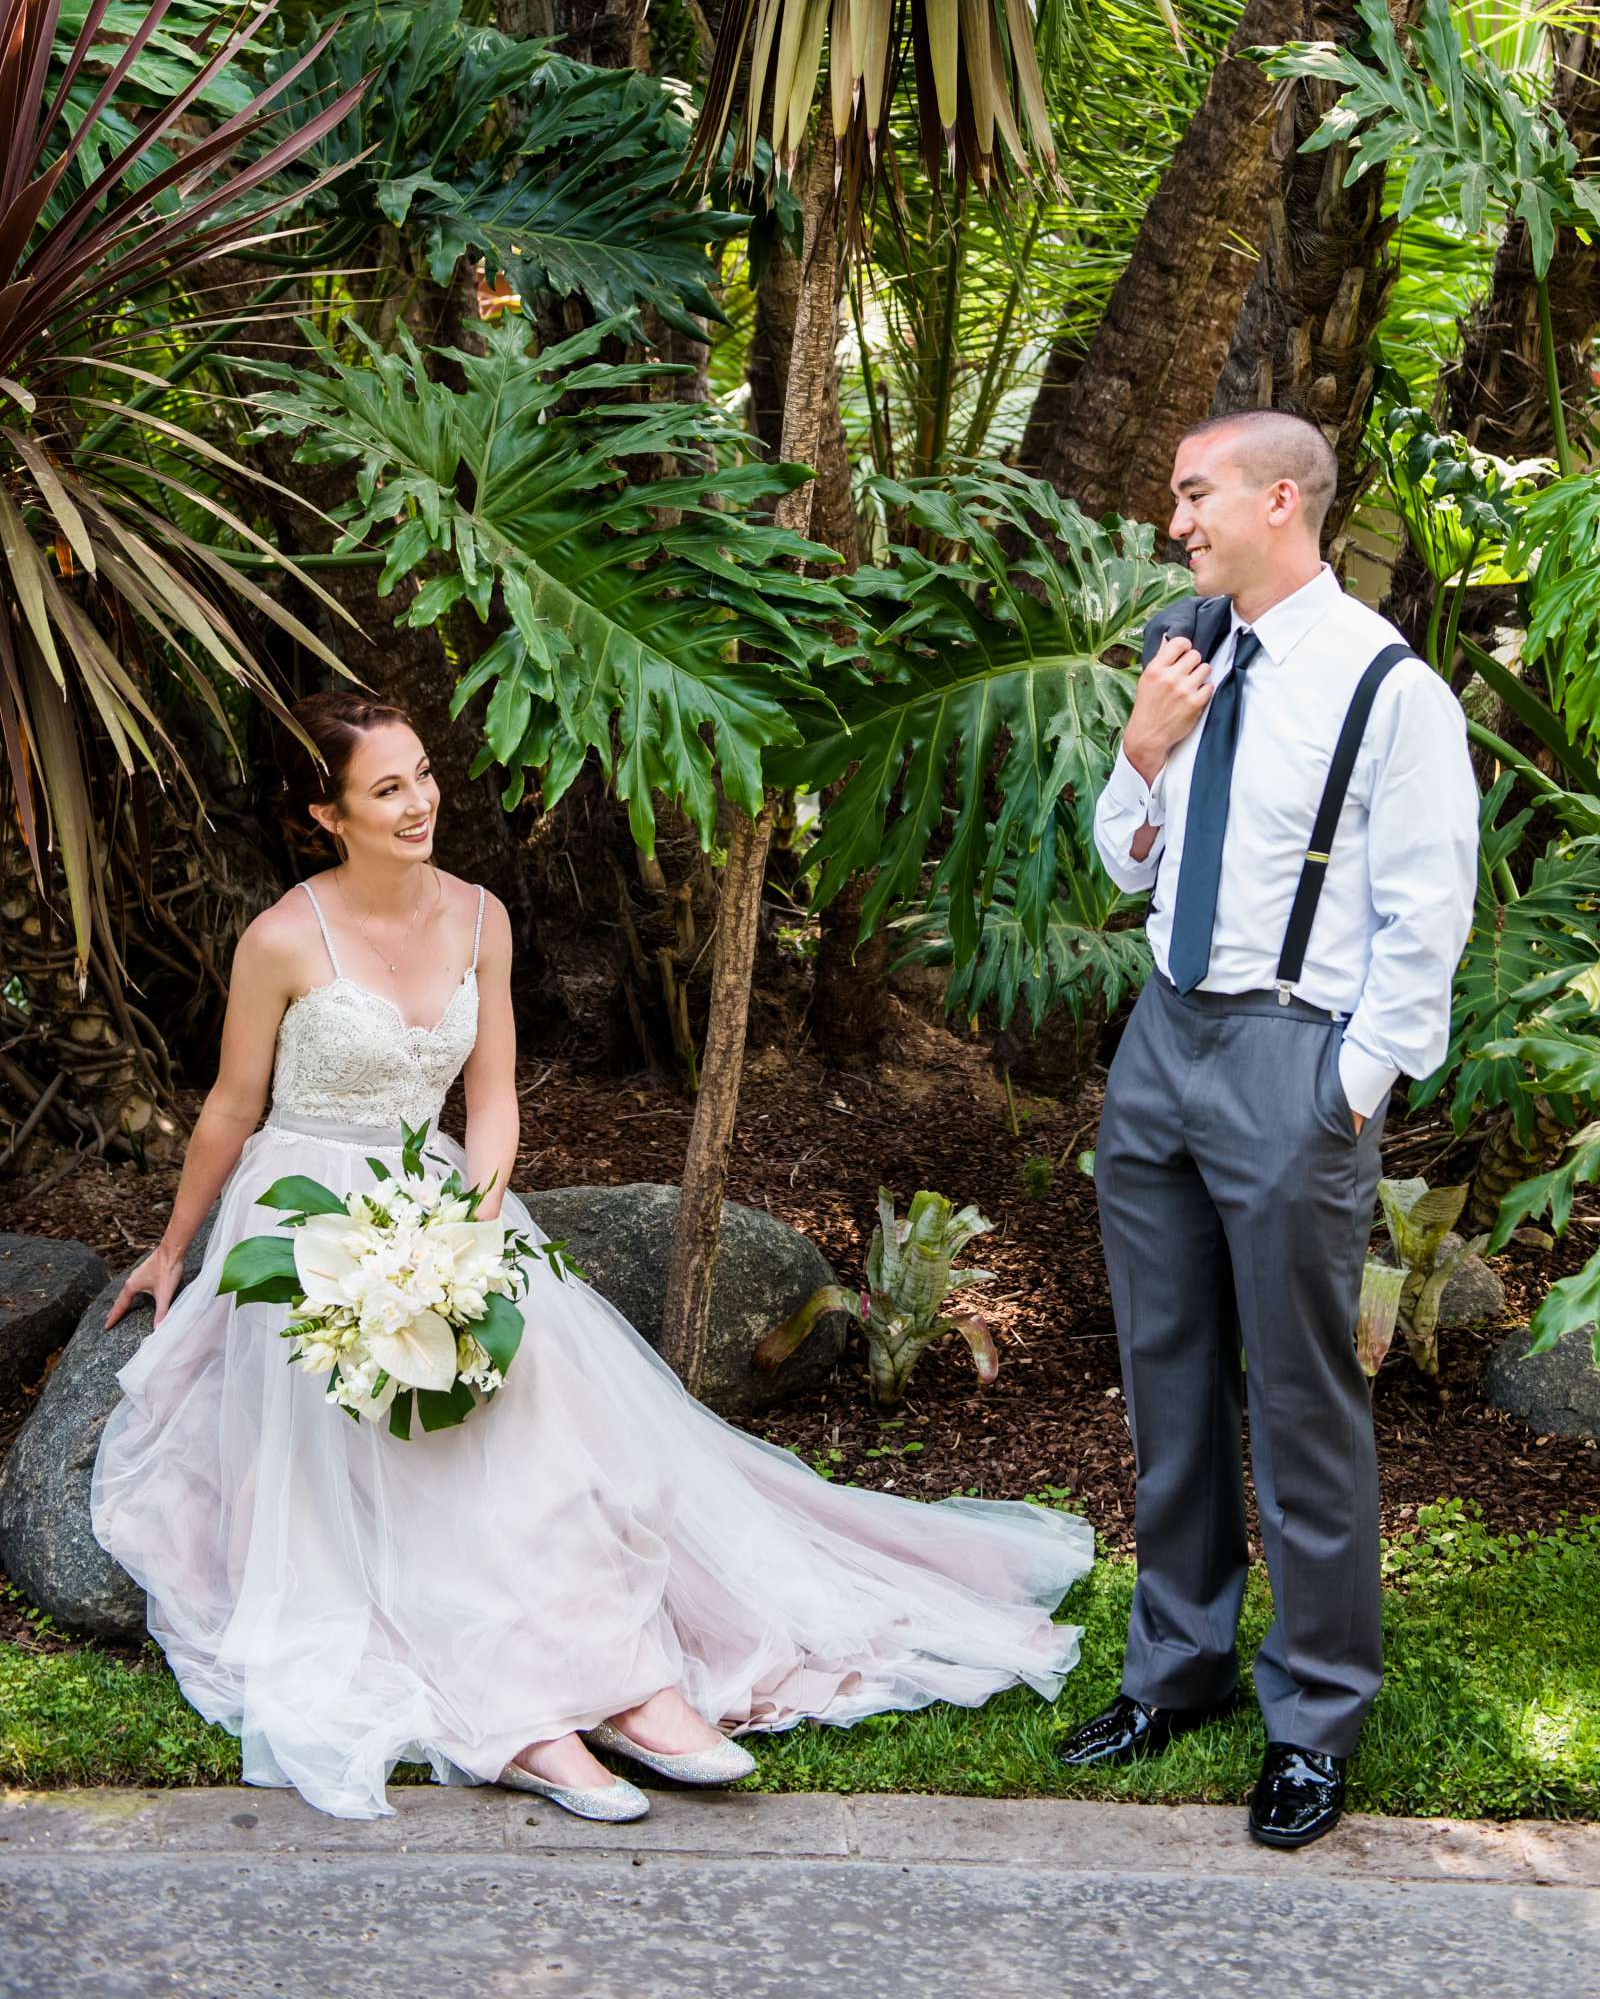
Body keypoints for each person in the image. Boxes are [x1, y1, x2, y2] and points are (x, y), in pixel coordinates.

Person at [93, 691, 1093, 1823]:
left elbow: (494, 1102)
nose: (420, 800)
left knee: (547, 1428)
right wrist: (174, 1248)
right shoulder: (282, 937)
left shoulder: (481, 917)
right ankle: (524, 1723)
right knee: (417, 1455)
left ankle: (630, 1690)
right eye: (387, 788)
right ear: (327, 814)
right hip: (306, 1216)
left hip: (442, 1204)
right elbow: (230, 1106)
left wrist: (467, 1226)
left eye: (422, 773)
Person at [1054, 412, 1479, 1849]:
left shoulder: (1388, 688)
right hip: (1162, 1041)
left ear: (1277, 498)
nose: (1176, 522)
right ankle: (1176, 1670)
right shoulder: (1187, 654)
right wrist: (1143, 747)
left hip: (1293, 1062)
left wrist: (1353, 1087)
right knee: (1163, 1370)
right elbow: (1121, 859)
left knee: (1301, 1400)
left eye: (1194, 494)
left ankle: (1312, 1714)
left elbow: (1430, 915)